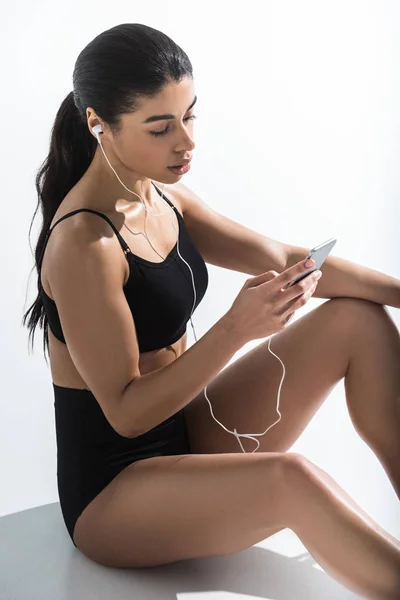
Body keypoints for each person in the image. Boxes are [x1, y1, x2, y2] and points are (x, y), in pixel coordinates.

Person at [23, 23, 400, 598]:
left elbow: (284, 257)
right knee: (292, 478)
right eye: (161, 126)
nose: (186, 142)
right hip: (115, 494)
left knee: (359, 319)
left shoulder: (165, 196)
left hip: (189, 433)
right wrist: (236, 330)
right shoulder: (84, 246)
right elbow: (127, 414)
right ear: (98, 122)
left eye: (189, 116)